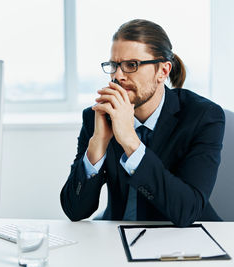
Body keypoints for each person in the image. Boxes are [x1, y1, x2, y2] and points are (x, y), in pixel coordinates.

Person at [60, 19, 225, 227]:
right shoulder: (98, 117)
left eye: (131, 65)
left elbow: (186, 210)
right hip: (117, 239)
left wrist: (131, 142)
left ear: (163, 71)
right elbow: (75, 210)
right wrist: (98, 144)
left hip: (183, 242)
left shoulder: (204, 117)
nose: (118, 76)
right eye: (114, 65)